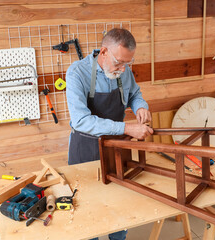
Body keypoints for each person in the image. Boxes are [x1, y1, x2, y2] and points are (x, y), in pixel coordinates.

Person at [65, 28, 153, 240]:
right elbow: (81, 121)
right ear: (103, 52)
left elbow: (135, 93)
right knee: (88, 209)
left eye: (127, 64)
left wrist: (140, 106)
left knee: (119, 206)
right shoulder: (77, 73)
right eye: (119, 63)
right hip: (85, 150)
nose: (123, 69)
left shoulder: (123, 70)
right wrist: (127, 128)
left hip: (114, 147)